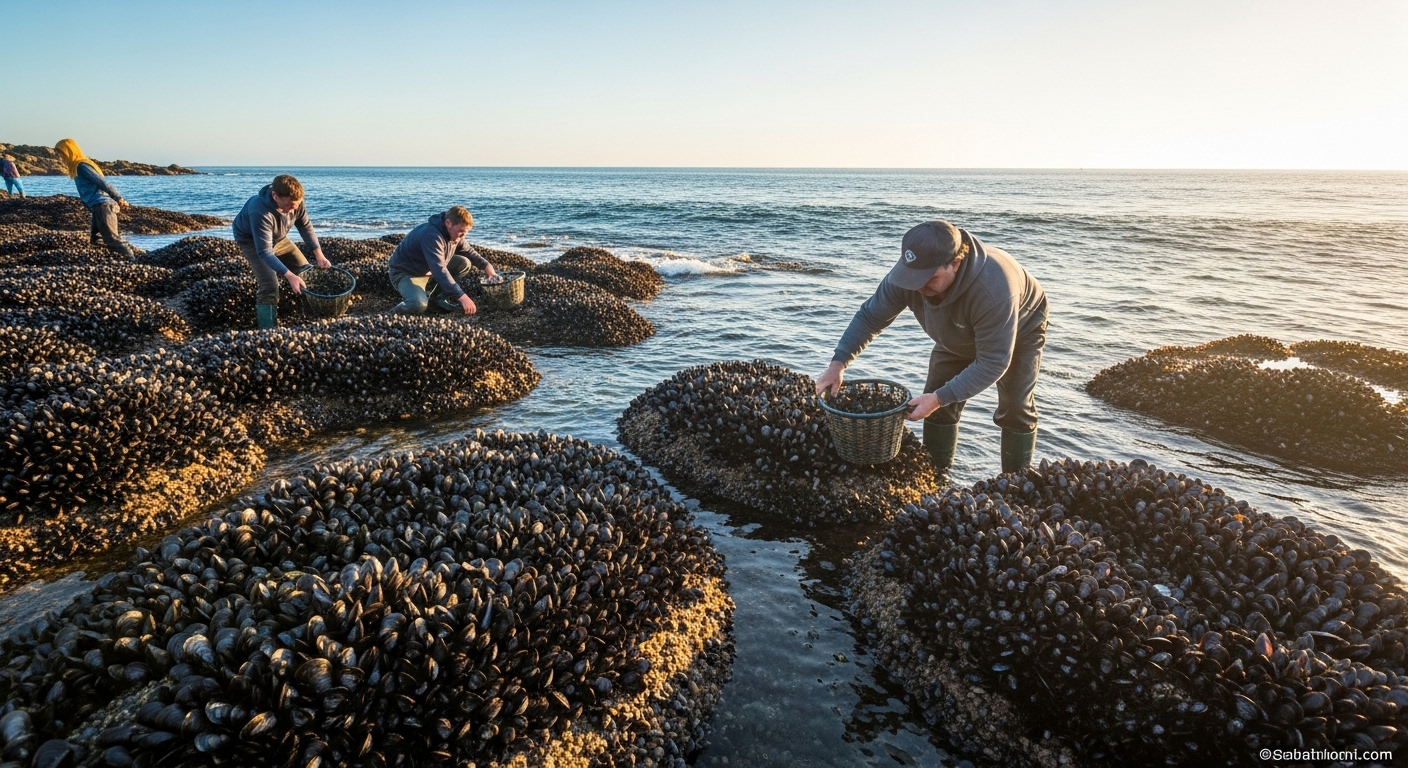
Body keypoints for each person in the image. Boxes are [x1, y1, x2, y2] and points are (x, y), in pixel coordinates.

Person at [816, 220, 1048, 476]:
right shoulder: (910, 274)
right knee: (936, 405)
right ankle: (937, 478)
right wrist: (838, 364)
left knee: (1015, 407)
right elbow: (871, 317)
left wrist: (939, 398)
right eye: (911, 276)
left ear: (955, 264)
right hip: (955, 331)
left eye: (927, 278)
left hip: (1021, 326)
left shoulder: (994, 288)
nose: (916, 286)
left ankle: (1015, 485)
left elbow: (993, 362)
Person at [232, 174, 330, 329]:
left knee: (305, 271)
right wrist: (289, 275)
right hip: (251, 241)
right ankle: (267, 331)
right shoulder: (260, 211)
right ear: (275, 196)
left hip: (279, 238)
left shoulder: (296, 201)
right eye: (290, 205)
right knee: (270, 286)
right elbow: (265, 251)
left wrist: (318, 254)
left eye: (296, 205)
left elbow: (304, 225)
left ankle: (311, 318)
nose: (294, 209)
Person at [387, 206, 497, 315]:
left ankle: (437, 300)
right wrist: (461, 296)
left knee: (464, 263)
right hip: (405, 272)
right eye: (461, 231)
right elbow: (439, 270)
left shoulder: (455, 235)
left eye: (466, 232)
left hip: (428, 269)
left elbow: (469, 252)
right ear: (448, 223)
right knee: (417, 305)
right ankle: (392, 314)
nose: (463, 236)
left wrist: (486, 266)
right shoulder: (432, 236)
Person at [54, 139, 132, 257]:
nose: (60, 157)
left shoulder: (81, 165)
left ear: (69, 151)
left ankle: (133, 261)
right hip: (97, 207)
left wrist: (118, 198)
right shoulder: (77, 166)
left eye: (61, 154)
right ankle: (107, 264)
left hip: (103, 205)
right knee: (96, 240)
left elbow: (102, 182)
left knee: (112, 239)